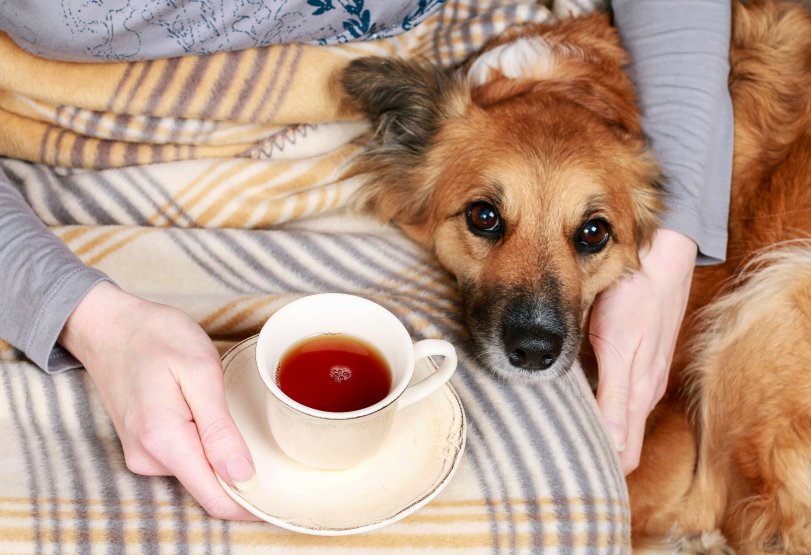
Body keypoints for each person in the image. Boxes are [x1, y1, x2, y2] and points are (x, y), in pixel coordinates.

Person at [0, 0, 732, 518]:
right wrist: (87, 319)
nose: (538, 310)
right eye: (487, 220)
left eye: (588, 235)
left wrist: (667, 249)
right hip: (65, 174)